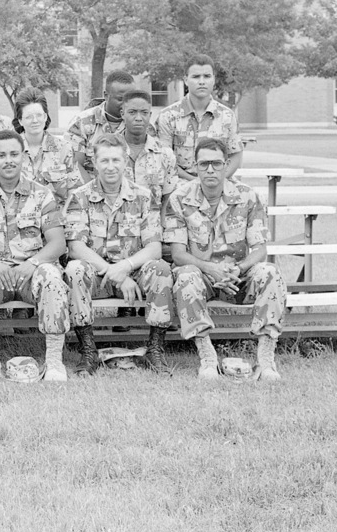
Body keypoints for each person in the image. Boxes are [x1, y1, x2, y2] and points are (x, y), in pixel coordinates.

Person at [163, 138, 284, 380]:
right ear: (195, 167)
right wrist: (212, 270)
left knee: (270, 272)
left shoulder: (248, 196)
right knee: (185, 276)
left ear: (226, 165)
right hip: (202, 277)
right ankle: (207, 357)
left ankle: (266, 360)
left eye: (216, 164)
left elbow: (260, 249)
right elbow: (178, 255)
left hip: (238, 276)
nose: (210, 170)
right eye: (204, 164)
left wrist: (238, 269)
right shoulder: (179, 198)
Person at [0, 131, 72, 382]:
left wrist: (32, 264)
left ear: (23, 156)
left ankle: (54, 361)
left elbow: (57, 242)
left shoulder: (41, 194)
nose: (8, 160)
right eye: (1, 155)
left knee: (52, 276)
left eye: (14, 154)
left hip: (30, 276)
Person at [63, 136, 174, 375]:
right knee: (74, 270)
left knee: (161, 269)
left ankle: (156, 349)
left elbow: (154, 247)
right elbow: (75, 248)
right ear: (94, 162)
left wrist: (125, 267)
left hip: (135, 274)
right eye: (104, 160)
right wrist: (117, 275)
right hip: (99, 276)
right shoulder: (80, 197)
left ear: (125, 162)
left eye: (116, 160)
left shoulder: (143, 196)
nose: (110, 166)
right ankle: (88, 350)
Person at [154, 57, 245, 180]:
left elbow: (235, 155)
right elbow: (164, 158)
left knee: (249, 195)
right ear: (186, 80)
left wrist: (217, 181)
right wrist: (195, 183)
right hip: (180, 186)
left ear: (214, 79)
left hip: (219, 184)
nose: (201, 82)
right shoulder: (168, 116)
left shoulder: (227, 116)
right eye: (196, 77)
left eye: (207, 76)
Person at [13, 92, 80, 203]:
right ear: (20, 121)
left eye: (39, 115)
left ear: (45, 117)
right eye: (29, 117)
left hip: (54, 216)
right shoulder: (10, 149)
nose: (35, 120)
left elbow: (73, 190)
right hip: (20, 217)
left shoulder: (63, 148)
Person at [67, 71, 134, 177]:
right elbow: (74, 165)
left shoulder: (141, 125)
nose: (126, 104)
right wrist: (93, 192)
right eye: (120, 99)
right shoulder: (81, 123)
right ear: (106, 96)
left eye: (130, 99)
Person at [116, 88, 178, 200]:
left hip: (152, 217)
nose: (138, 118)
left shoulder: (165, 154)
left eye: (144, 113)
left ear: (150, 115)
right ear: (122, 114)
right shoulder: (109, 150)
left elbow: (168, 200)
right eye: (132, 112)